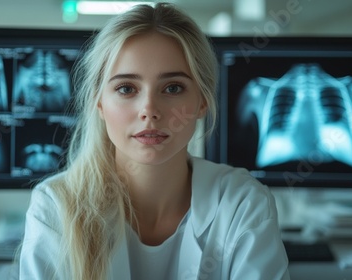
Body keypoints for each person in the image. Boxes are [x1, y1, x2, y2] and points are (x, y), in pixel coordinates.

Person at [18, 3, 290, 279]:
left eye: (173, 88)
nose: (149, 109)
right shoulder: (55, 208)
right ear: (99, 102)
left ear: (203, 101)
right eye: (126, 88)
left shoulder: (243, 203)